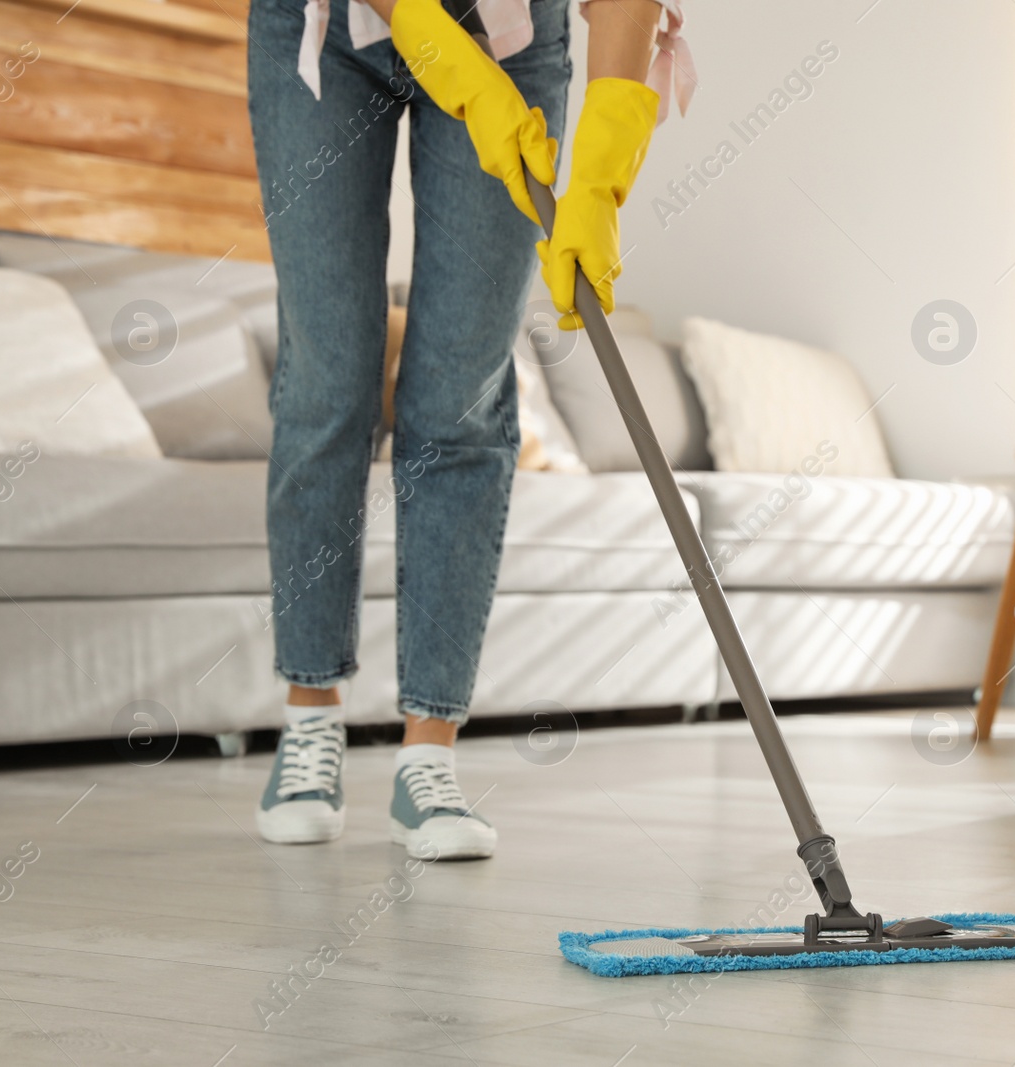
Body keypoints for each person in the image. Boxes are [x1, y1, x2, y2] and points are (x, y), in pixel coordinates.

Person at [245, 0, 690, 857]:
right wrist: (441, 54)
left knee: (462, 393)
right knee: (330, 372)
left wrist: (598, 179)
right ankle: (310, 719)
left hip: (518, 38)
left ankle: (429, 756)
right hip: (325, 32)